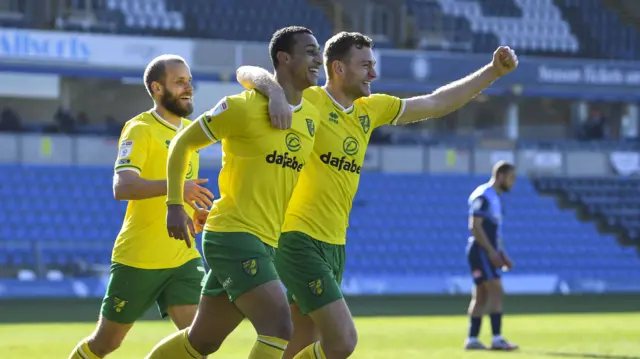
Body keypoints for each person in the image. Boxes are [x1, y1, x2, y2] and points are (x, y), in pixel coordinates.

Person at [236, 31, 519, 359]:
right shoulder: (309, 99)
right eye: (366, 65)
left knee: (300, 341)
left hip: (335, 244)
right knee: (342, 341)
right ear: (339, 68)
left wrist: (492, 72)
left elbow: (437, 102)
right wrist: (272, 90)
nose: (374, 73)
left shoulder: (371, 110)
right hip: (297, 238)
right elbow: (246, 72)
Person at [144, 26, 323, 359]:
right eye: (311, 51)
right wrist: (173, 204)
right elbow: (182, 143)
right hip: (234, 235)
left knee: (202, 340)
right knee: (280, 327)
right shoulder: (242, 107)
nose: (319, 60)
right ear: (284, 58)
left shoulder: (312, 113)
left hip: (267, 240)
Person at [68, 54, 214, 359]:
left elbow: (181, 194)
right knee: (106, 344)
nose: (188, 87)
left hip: (182, 255)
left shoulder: (191, 135)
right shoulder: (139, 129)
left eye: (189, 81)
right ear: (158, 88)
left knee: (199, 340)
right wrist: (178, 189)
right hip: (139, 259)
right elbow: (122, 187)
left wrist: (195, 214)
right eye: (179, 82)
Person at [466, 161, 518, 351]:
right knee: (496, 289)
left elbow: (495, 233)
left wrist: (502, 254)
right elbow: (475, 226)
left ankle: (472, 339)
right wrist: (491, 252)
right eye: (511, 177)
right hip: (480, 251)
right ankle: (497, 338)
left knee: (481, 296)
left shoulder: (495, 198)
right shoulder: (484, 195)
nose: (513, 182)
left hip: (485, 250)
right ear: (501, 175)